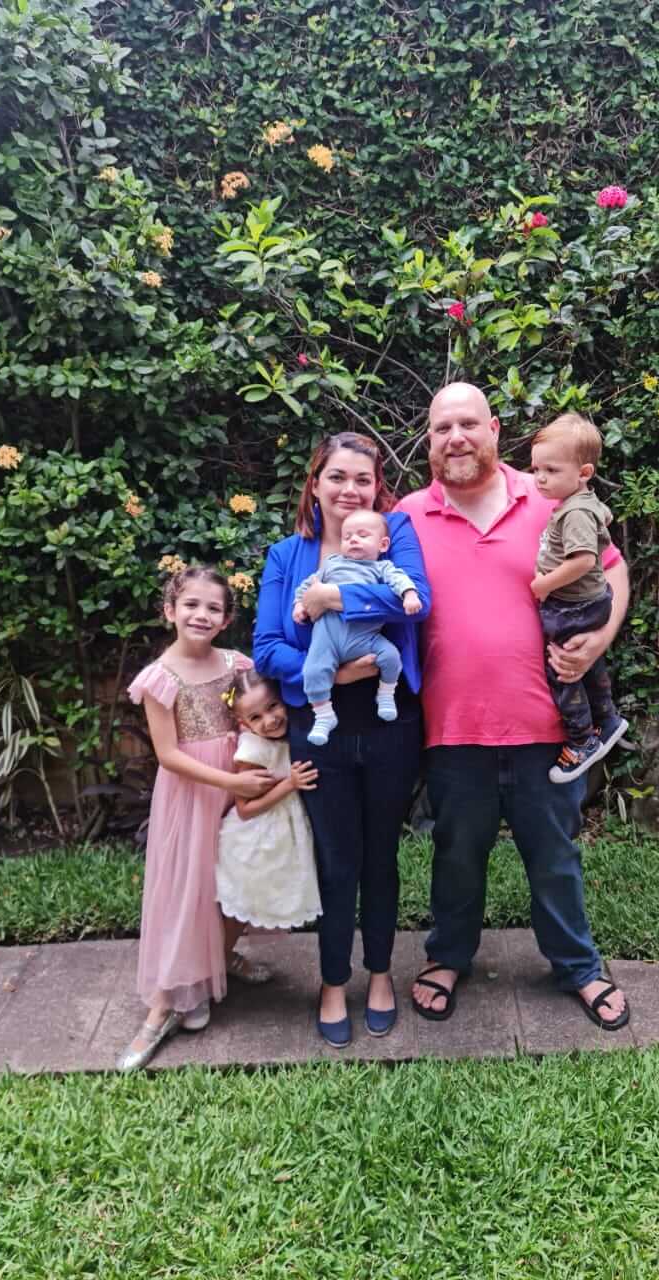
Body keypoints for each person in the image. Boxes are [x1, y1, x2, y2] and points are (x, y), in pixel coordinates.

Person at [398, 383, 630, 1031]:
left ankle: (579, 967)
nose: (456, 438)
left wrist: (597, 641)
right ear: (429, 440)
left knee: (554, 857)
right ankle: (448, 958)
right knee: (456, 853)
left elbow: (611, 570)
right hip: (451, 729)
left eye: (468, 423)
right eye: (442, 428)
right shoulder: (408, 515)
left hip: (548, 729)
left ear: (495, 429)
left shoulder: (548, 500)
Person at [254, 432, 430, 1048]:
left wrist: (335, 597)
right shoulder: (285, 555)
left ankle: (380, 975)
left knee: (381, 856)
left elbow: (417, 601)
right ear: (316, 483)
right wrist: (338, 667)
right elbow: (267, 649)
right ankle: (333, 982)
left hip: (389, 727)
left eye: (362, 478)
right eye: (338, 476)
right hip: (319, 729)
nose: (350, 488)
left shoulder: (392, 533)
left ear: (375, 487)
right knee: (337, 860)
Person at [118, 567, 279, 1072]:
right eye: (190, 605)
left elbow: (257, 717)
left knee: (232, 880)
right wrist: (231, 784)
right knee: (187, 890)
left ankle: (218, 960)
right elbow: (167, 754)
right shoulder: (160, 679)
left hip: (238, 780)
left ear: (227, 617)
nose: (201, 615)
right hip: (193, 793)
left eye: (213, 607)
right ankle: (162, 1006)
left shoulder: (237, 665)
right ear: (170, 611)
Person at [530, 413, 629, 783]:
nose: (539, 478)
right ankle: (607, 718)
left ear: (584, 472)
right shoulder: (583, 503)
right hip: (587, 601)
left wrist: (544, 585)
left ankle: (582, 738)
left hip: (574, 604)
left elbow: (585, 560)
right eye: (536, 468)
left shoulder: (574, 513)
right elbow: (603, 514)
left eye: (551, 470)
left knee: (563, 670)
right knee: (585, 664)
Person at [292, 509, 422, 744]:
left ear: (383, 544)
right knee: (312, 671)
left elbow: (400, 579)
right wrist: (299, 605)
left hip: (366, 639)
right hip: (327, 637)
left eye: (362, 535)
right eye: (347, 536)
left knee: (391, 656)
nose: (353, 539)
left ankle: (385, 693)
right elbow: (307, 587)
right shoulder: (331, 564)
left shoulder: (382, 568)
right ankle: (323, 715)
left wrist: (409, 595)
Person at [215, 668, 322, 934]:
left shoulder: (294, 734)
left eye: (273, 706)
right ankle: (222, 964)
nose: (270, 720)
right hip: (257, 841)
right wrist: (289, 784)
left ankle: (228, 962)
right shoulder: (252, 751)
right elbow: (245, 810)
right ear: (244, 723)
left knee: (265, 903)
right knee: (243, 909)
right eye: (256, 717)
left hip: (286, 836)